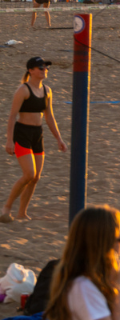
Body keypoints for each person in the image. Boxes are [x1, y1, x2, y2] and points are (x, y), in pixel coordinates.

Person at [1, 57, 67, 222]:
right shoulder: (23, 90)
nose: (44, 70)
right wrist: (9, 141)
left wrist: (59, 138)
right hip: (22, 133)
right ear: (30, 70)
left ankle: (22, 213)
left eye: (45, 67)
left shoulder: (47, 90)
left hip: (38, 134)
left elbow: (49, 117)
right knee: (29, 174)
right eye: (40, 67)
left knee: (36, 177)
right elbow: (11, 117)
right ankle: (7, 207)